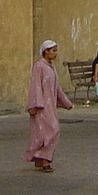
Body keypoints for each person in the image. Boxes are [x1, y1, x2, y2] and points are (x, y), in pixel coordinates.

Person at [26, 40, 74, 172]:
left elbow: (56, 87)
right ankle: (45, 159)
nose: (55, 53)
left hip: (50, 105)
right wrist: (35, 104)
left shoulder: (51, 67)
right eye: (53, 50)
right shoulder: (38, 66)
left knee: (45, 132)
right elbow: (35, 85)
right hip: (41, 105)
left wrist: (65, 102)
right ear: (45, 51)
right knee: (52, 130)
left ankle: (39, 159)